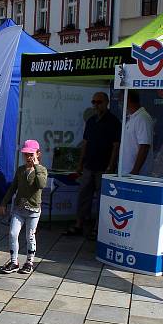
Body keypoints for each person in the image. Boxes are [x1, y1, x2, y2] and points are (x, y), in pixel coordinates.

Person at [66, 92, 121, 238]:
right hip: (89, 165)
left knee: (102, 199)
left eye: (99, 102)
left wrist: (111, 166)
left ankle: (98, 228)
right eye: (94, 102)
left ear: (107, 102)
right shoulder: (90, 121)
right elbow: (85, 143)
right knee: (84, 195)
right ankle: (79, 224)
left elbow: (116, 146)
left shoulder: (114, 121)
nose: (96, 105)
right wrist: (80, 164)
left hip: (104, 167)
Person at [0, 140, 48, 275]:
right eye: (26, 154)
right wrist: (3, 203)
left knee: (30, 236)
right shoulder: (20, 170)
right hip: (19, 209)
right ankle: (14, 261)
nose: (28, 157)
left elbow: (41, 184)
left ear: (38, 154)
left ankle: (29, 262)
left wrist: (36, 166)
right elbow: (13, 188)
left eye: (31, 154)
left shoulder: (42, 170)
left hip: (33, 209)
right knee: (13, 234)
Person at [120, 91, 154, 176]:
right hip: (126, 172)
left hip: (137, 175)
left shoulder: (142, 118)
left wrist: (135, 171)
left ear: (128, 100)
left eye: (121, 99)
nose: (120, 102)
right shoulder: (131, 117)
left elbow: (144, 146)